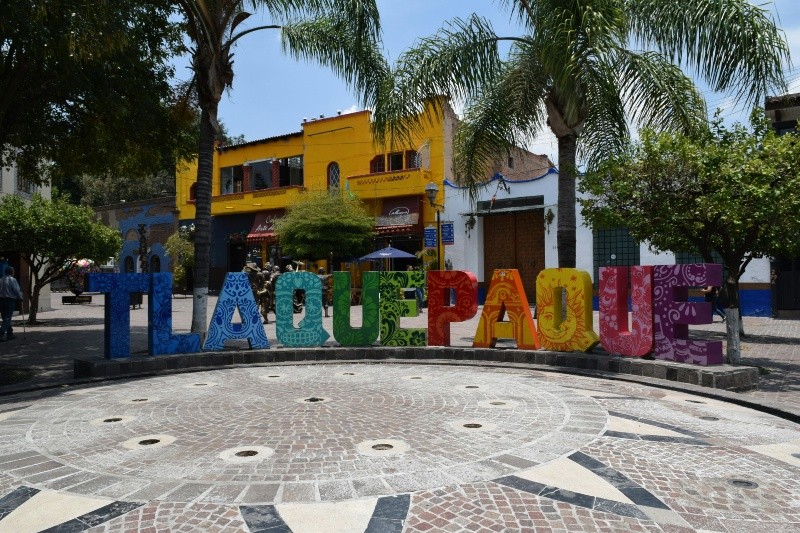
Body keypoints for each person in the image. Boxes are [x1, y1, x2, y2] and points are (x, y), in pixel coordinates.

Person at [0, 266, 23, 341]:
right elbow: (16, 290)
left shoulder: (1, 279)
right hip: (9, 300)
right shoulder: (12, 280)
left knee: (5, 317)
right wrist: (20, 297)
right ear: (12, 272)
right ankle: (1, 333)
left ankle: (10, 334)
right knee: (7, 318)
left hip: (1, 300)